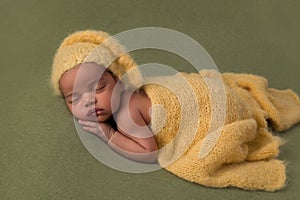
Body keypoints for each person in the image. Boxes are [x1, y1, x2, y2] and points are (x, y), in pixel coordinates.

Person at [51, 30, 300, 191]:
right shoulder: (124, 95)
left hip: (213, 107)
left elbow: (148, 153)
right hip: (208, 90)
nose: (88, 102)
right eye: (74, 99)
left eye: (98, 87)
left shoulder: (127, 113)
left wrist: (106, 133)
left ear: (119, 79)